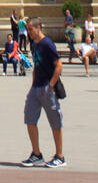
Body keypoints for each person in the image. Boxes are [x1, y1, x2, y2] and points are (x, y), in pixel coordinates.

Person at [21, 17, 65, 168]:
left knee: (55, 121)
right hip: (36, 87)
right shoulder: (33, 45)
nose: (29, 32)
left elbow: (59, 65)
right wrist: (32, 86)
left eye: (30, 29)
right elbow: (36, 66)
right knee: (29, 118)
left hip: (47, 87)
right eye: (27, 29)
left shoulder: (47, 44)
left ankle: (60, 156)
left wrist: (51, 85)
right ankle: (36, 154)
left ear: (39, 27)